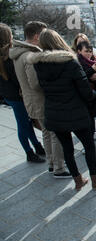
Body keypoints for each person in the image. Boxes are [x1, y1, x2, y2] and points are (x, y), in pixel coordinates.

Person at [30, 28, 96, 190]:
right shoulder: (70, 62)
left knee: (67, 148)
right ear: (59, 41)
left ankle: (78, 180)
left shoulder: (39, 64)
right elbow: (86, 93)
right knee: (88, 146)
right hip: (76, 112)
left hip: (54, 113)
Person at [10, 21, 70, 174]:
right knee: (55, 133)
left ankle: (51, 163)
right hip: (41, 101)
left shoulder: (18, 53)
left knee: (46, 132)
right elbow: (36, 84)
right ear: (37, 36)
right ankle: (59, 168)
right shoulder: (30, 56)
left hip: (30, 100)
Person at [0, 23, 45, 163]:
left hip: (8, 95)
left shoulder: (5, 56)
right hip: (17, 95)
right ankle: (29, 152)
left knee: (25, 122)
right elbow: (17, 78)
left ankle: (36, 146)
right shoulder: (8, 56)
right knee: (23, 123)